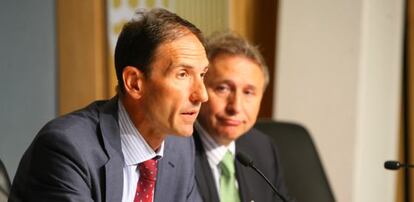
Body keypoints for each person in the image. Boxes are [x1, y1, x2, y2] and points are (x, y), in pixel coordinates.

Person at [9, 8, 208, 202]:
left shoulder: (179, 147)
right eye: (182, 74)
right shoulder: (68, 148)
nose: (202, 95)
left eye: (202, 75)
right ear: (134, 83)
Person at [193, 32, 292, 202]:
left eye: (248, 92)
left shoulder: (262, 149)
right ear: (199, 89)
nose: (236, 107)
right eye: (223, 88)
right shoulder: (175, 152)